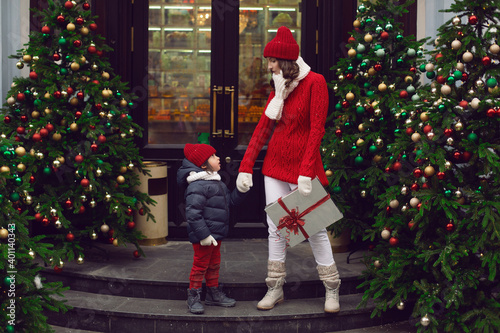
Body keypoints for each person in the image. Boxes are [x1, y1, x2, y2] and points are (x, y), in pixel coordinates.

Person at [236, 26, 341, 313]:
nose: (268, 65)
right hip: (275, 166)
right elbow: (262, 129)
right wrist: (246, 167)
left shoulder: (315, 83)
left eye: (272, 60)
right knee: (276, 228)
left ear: (286, 60)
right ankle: (275, 287)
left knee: (315, 228)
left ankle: (332, 289)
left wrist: (306, 171)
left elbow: (316, 130)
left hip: (303, 170)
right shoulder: (279, 84)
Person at [177, 143, 249, 314]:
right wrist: (204, 235)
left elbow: (229, 202)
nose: (218, 158)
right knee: (200, 265)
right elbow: (193, 214)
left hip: (216, 234)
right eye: (213, 156)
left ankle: (213, 293)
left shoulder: (216, 181)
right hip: (205, 235)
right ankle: (193, 295)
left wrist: (241, 190)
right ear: (203, 165)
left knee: (214, 264)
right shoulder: (197, 186)